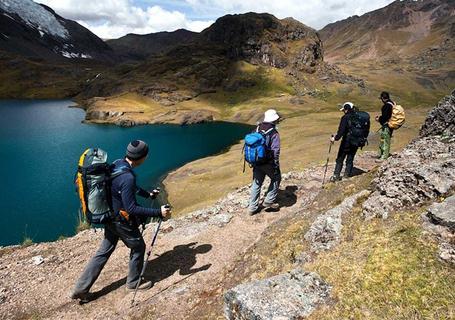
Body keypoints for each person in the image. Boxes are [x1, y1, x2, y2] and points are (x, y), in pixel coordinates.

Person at [71, 140, 171, 302]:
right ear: (142, 157)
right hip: (121, 220)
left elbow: (126, 188)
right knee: (139, 247)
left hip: (109, 216)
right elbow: (131, 208)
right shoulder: (128, 177)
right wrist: (158, 212)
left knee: (104, 250)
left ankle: (81, 288)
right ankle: (132, 283)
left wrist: (147, 194)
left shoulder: (118, 164)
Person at [248, 109, 281, 215]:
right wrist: (275, 164)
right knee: (276, 178)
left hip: (256, 162)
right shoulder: (273, 132)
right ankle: (269, 201)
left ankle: (252, 207)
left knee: (257, 183)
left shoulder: (257, 129)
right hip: (268, 162)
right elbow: (275, 150)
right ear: (274, 120)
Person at [329, 102, 362, 181]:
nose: (343, 111)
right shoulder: (358, 116)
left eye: (344, 110)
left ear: (346, 109)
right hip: (356, 141)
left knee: (340, 158)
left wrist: (335, 138)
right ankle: (346, 176)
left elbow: (341, 131)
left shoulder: (345, 117)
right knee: (350, 158)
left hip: (346, 141)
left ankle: (336, 176)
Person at [376, 91, 394, 161]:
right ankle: (383, 154)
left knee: (385, 140)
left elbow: (385, 117)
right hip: (390, 124)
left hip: (387, 125)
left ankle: (383, 157)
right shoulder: (392, 103)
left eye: (381, 99)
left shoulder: (386, 105)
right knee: (386, 139)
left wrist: (379, 119)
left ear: (383, 98)